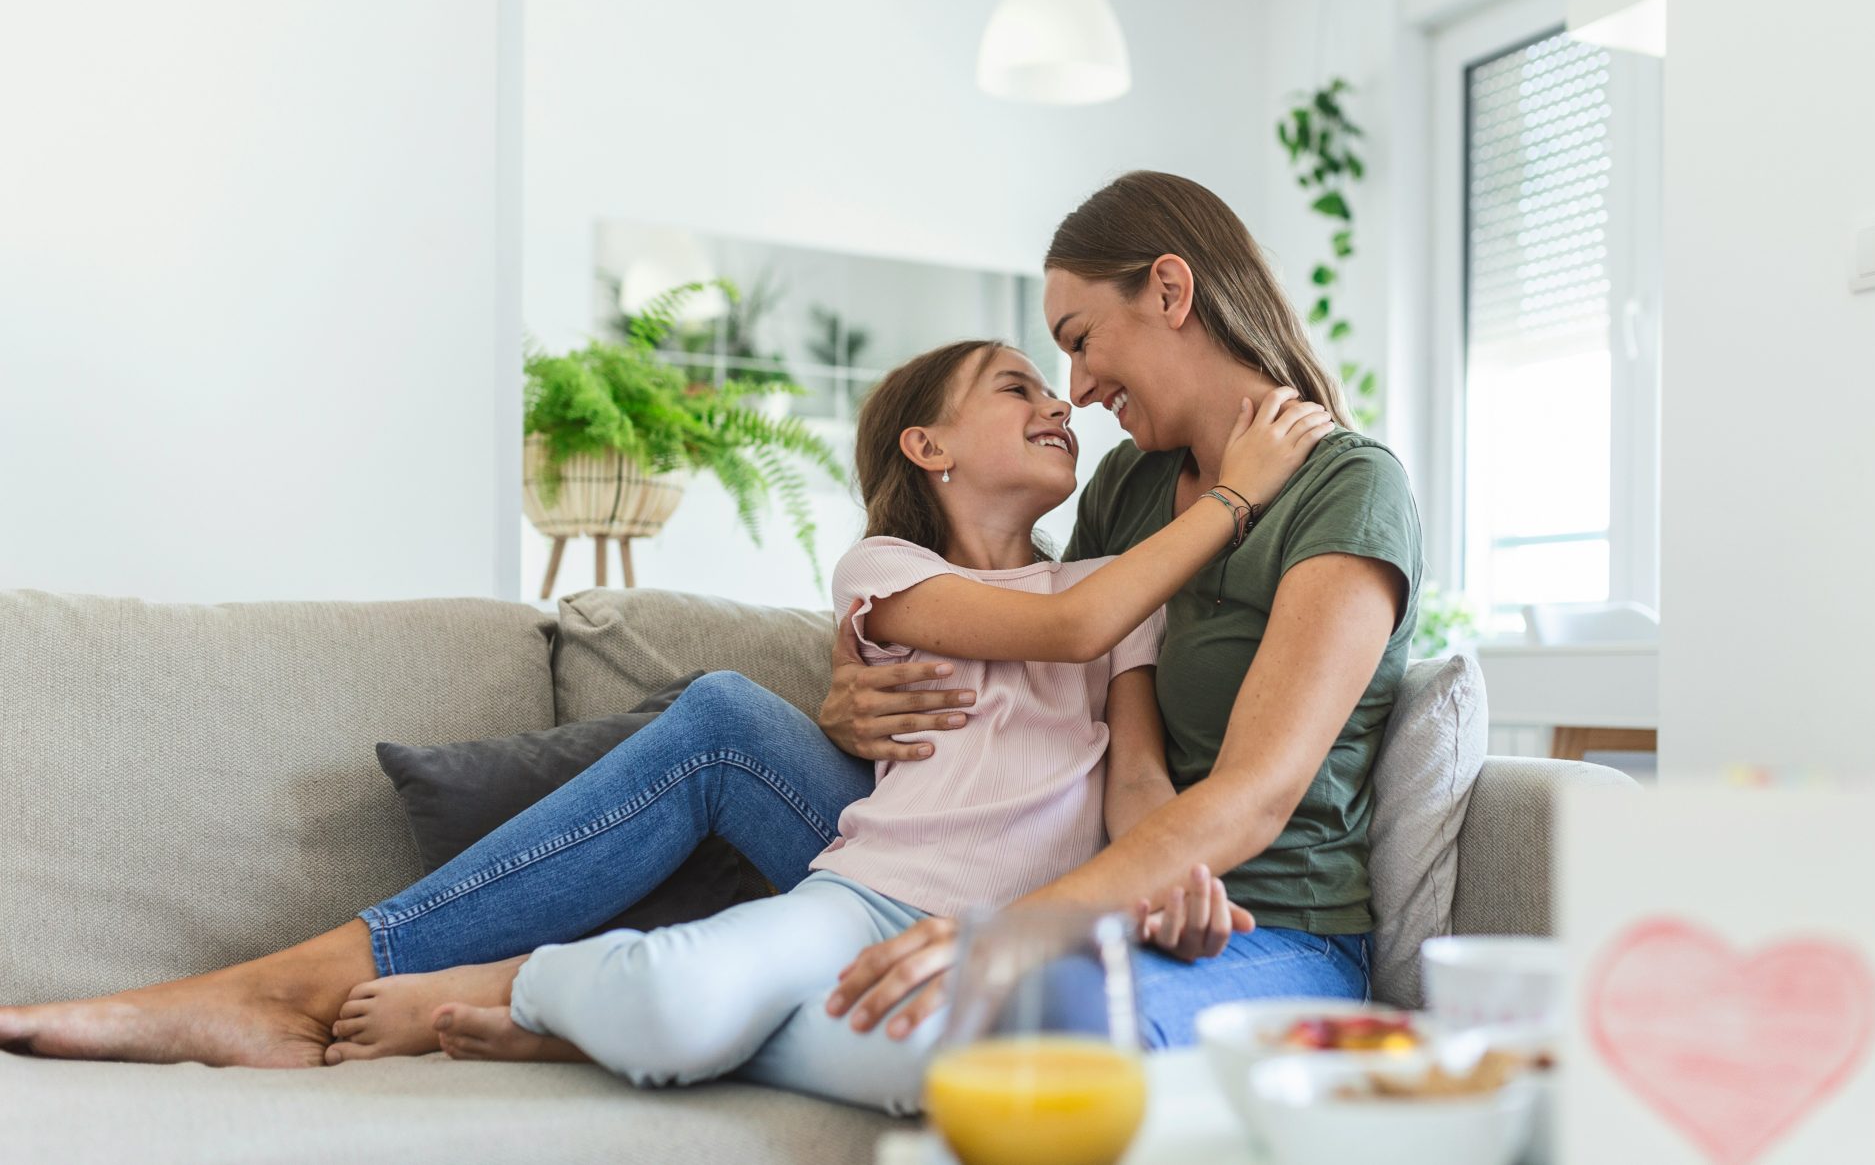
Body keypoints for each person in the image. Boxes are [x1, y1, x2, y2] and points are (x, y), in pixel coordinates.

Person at [0, 169, 1418, 1076]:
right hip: (1014, 870)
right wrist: (854, 707)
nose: (1076, 382)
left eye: (1082, 340)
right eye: (1040, 365)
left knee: (1031, 1043)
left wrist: (1048, 916)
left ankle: (605, 1004)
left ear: (1168, 290)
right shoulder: (1124, 492)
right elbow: (1094, 683)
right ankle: (306, 974)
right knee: (736, 723)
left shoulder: (1343, 490)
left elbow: (1245, 788)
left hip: (1239, 917)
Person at [408, 338, 1329, 1112]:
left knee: (973, 1072)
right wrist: (1234, 497)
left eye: (1055, 389)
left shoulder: (1113, 592)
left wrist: (1171, 879)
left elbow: (1135, 779)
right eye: (1020, 387)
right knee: (666, 997)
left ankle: (642, 1034)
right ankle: (538, 984)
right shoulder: (883, 569)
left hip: (1001, 934)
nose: (1063, 403)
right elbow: (1063, 629)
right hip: (864, 899)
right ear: (928, 446)